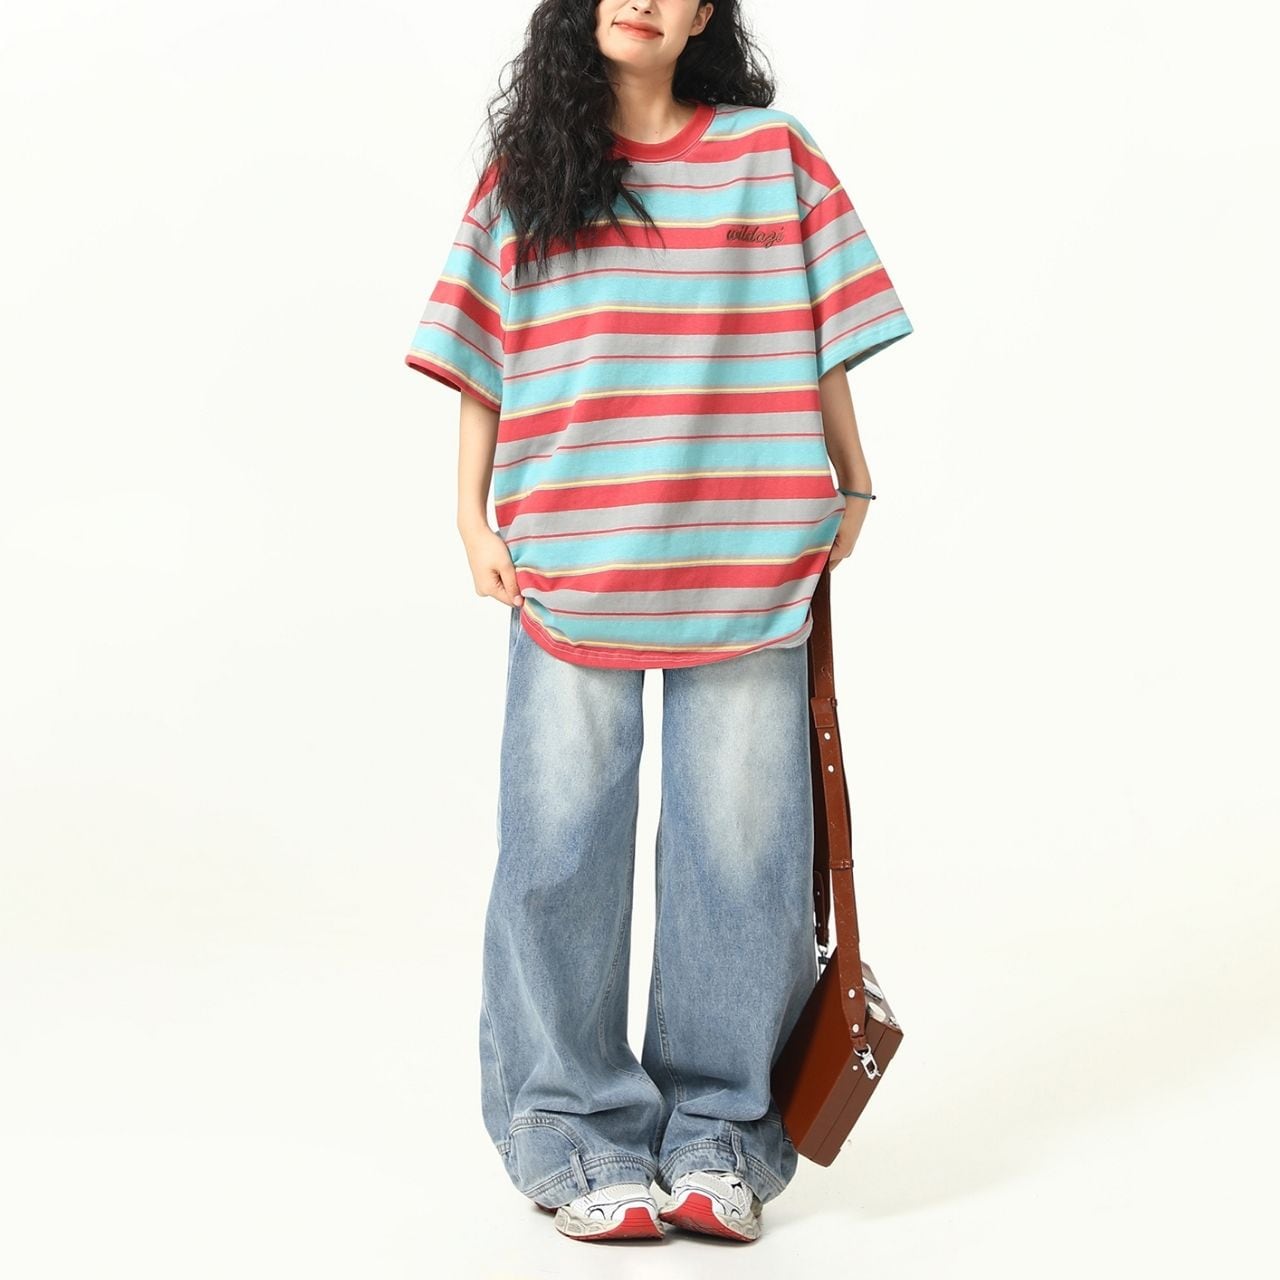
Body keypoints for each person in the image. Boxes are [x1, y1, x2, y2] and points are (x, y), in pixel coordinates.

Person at [403, 0, 913, 1244]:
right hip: (570, 556)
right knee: (557, 855)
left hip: (746, 556)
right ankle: (570, 1126)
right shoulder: (529, 172)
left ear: (702, 14)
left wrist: (852, 478)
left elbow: (821, 332)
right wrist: (469, 516)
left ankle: (718, 1133)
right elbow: (482, 352)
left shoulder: (770, 156)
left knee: (741, 862)